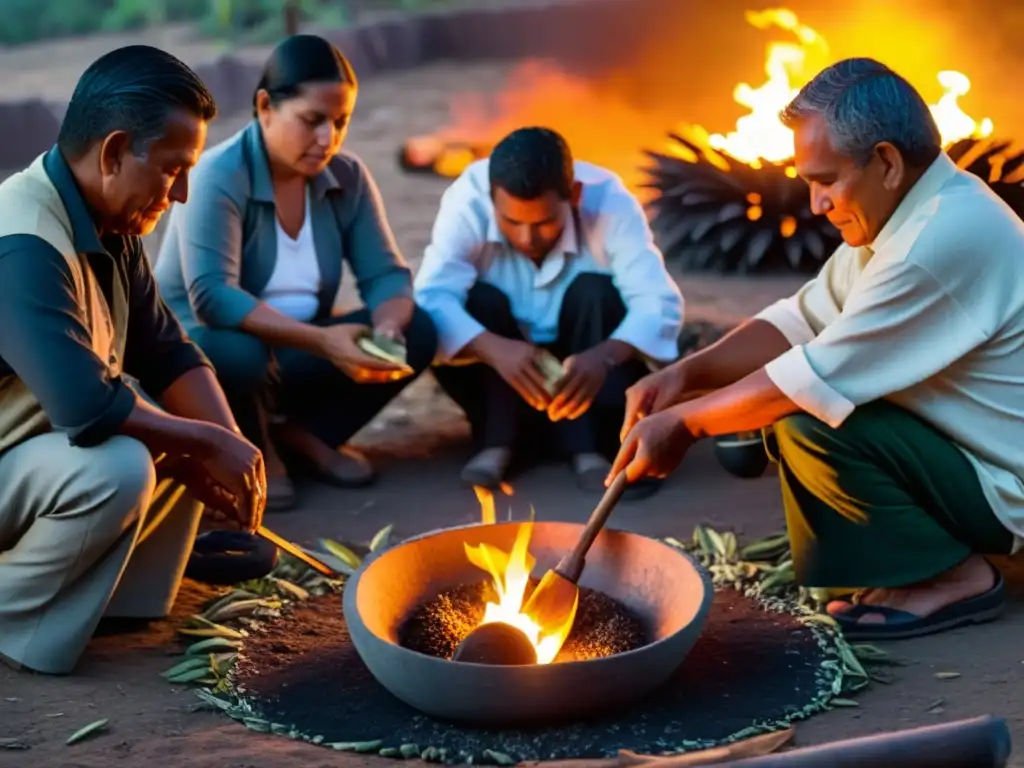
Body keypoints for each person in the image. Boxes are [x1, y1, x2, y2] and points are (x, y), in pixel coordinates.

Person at [610, 57, 1024, 641]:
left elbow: (806, 380)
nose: (815, 204)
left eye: (825, 180)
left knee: (808, 424)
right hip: (965, 454)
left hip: (1007, 486)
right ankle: (914, 561)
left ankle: (952, 577)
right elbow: (798, 321)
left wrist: (683, 425)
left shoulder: (935, 241)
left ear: (885, 161)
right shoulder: (906, 213)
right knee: (797, 411)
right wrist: (686, 375)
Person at [0, 45, 267, 675]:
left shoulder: (107, 219)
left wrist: (228, 447)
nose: (181, 195)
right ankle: (15, 615)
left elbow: (167, 351)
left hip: (19, 459)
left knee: (175, 436)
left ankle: (116, 602)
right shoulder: (21, 242)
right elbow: (85, 406)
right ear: (115, 151)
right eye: (174, 170)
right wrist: (205, 442)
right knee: (118, 462)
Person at [155, 34, 437, 510]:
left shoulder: (346, 178)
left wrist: (386, 330)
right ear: (265, 106)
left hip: (293, 353)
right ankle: (259, 451)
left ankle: (307, 435)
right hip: (210, 362)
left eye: (340, 122)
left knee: (422, 328)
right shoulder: (218, 175)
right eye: (312, 120)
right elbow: (212, 297)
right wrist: (325, 341)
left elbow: (387, 275)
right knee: (238, 350)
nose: (328, 138)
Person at [415, 127, 684, 491]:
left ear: (573, 196)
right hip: (496, 376)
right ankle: (498, 441)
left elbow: (658, 303)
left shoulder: (610, 201)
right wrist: (494, 349)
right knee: (478, 300)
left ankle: (586, 448)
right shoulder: (466, 200)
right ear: (491, 198)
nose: (528, 238)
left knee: (595, 290)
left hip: (588, 373)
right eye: (512, 222)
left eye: (543, 223)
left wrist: (604, 356)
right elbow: (431, 298)